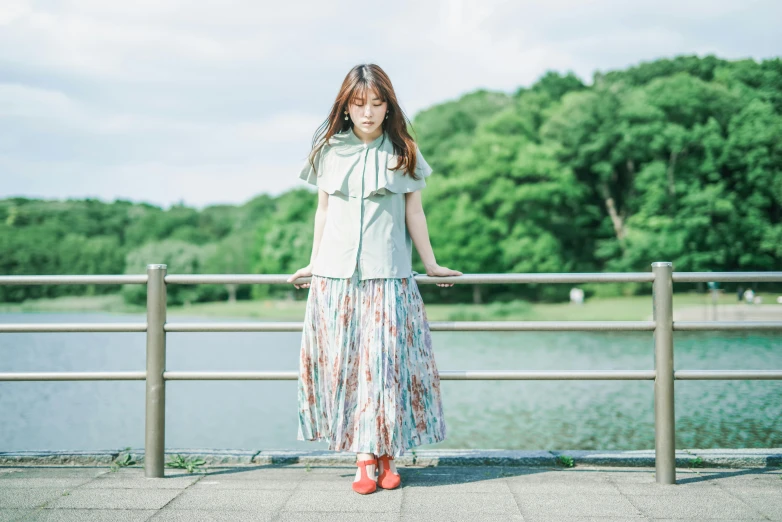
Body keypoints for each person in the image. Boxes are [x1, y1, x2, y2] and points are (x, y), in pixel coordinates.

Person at [286, 64, 463, 495]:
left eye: (377, 104)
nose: (368, 113)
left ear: (389, 106)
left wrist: (432, 264)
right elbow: (323, 212)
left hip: (390, 280)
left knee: (384, 369)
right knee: (347, 370)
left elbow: (414, 213)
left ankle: (386, 452)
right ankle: (365, 457)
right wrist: (313, 262)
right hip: (336, 280)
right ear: (346, 107)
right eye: (359, 104)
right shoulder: (328, 151)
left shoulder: (404, 150)